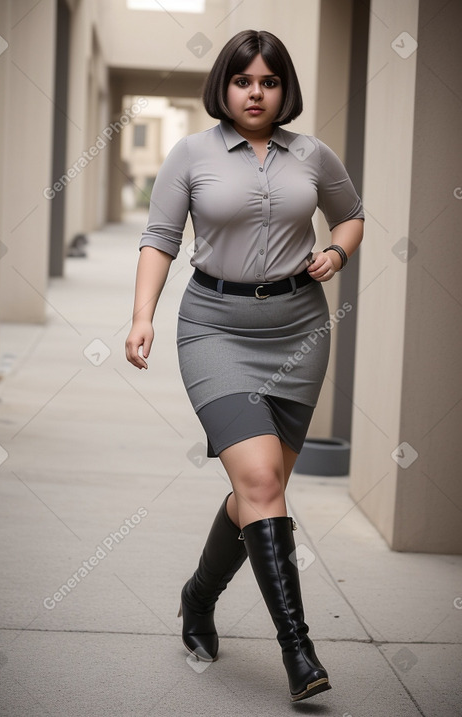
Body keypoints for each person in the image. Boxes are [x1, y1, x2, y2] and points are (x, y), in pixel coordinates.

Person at [125, 29, 364, 703]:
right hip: (215, 328)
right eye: (242, 80)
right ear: (223, 88)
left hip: (298, 330)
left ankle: (197, 598)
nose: (254, 92)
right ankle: (299, 650)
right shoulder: (191, 154)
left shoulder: (312, 155)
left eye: (268, 81)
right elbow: (160, 238)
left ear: (283, 89)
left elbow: (351, 218)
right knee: (260, 478)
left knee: (259, 491)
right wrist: (142, 315)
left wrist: (338, 254)